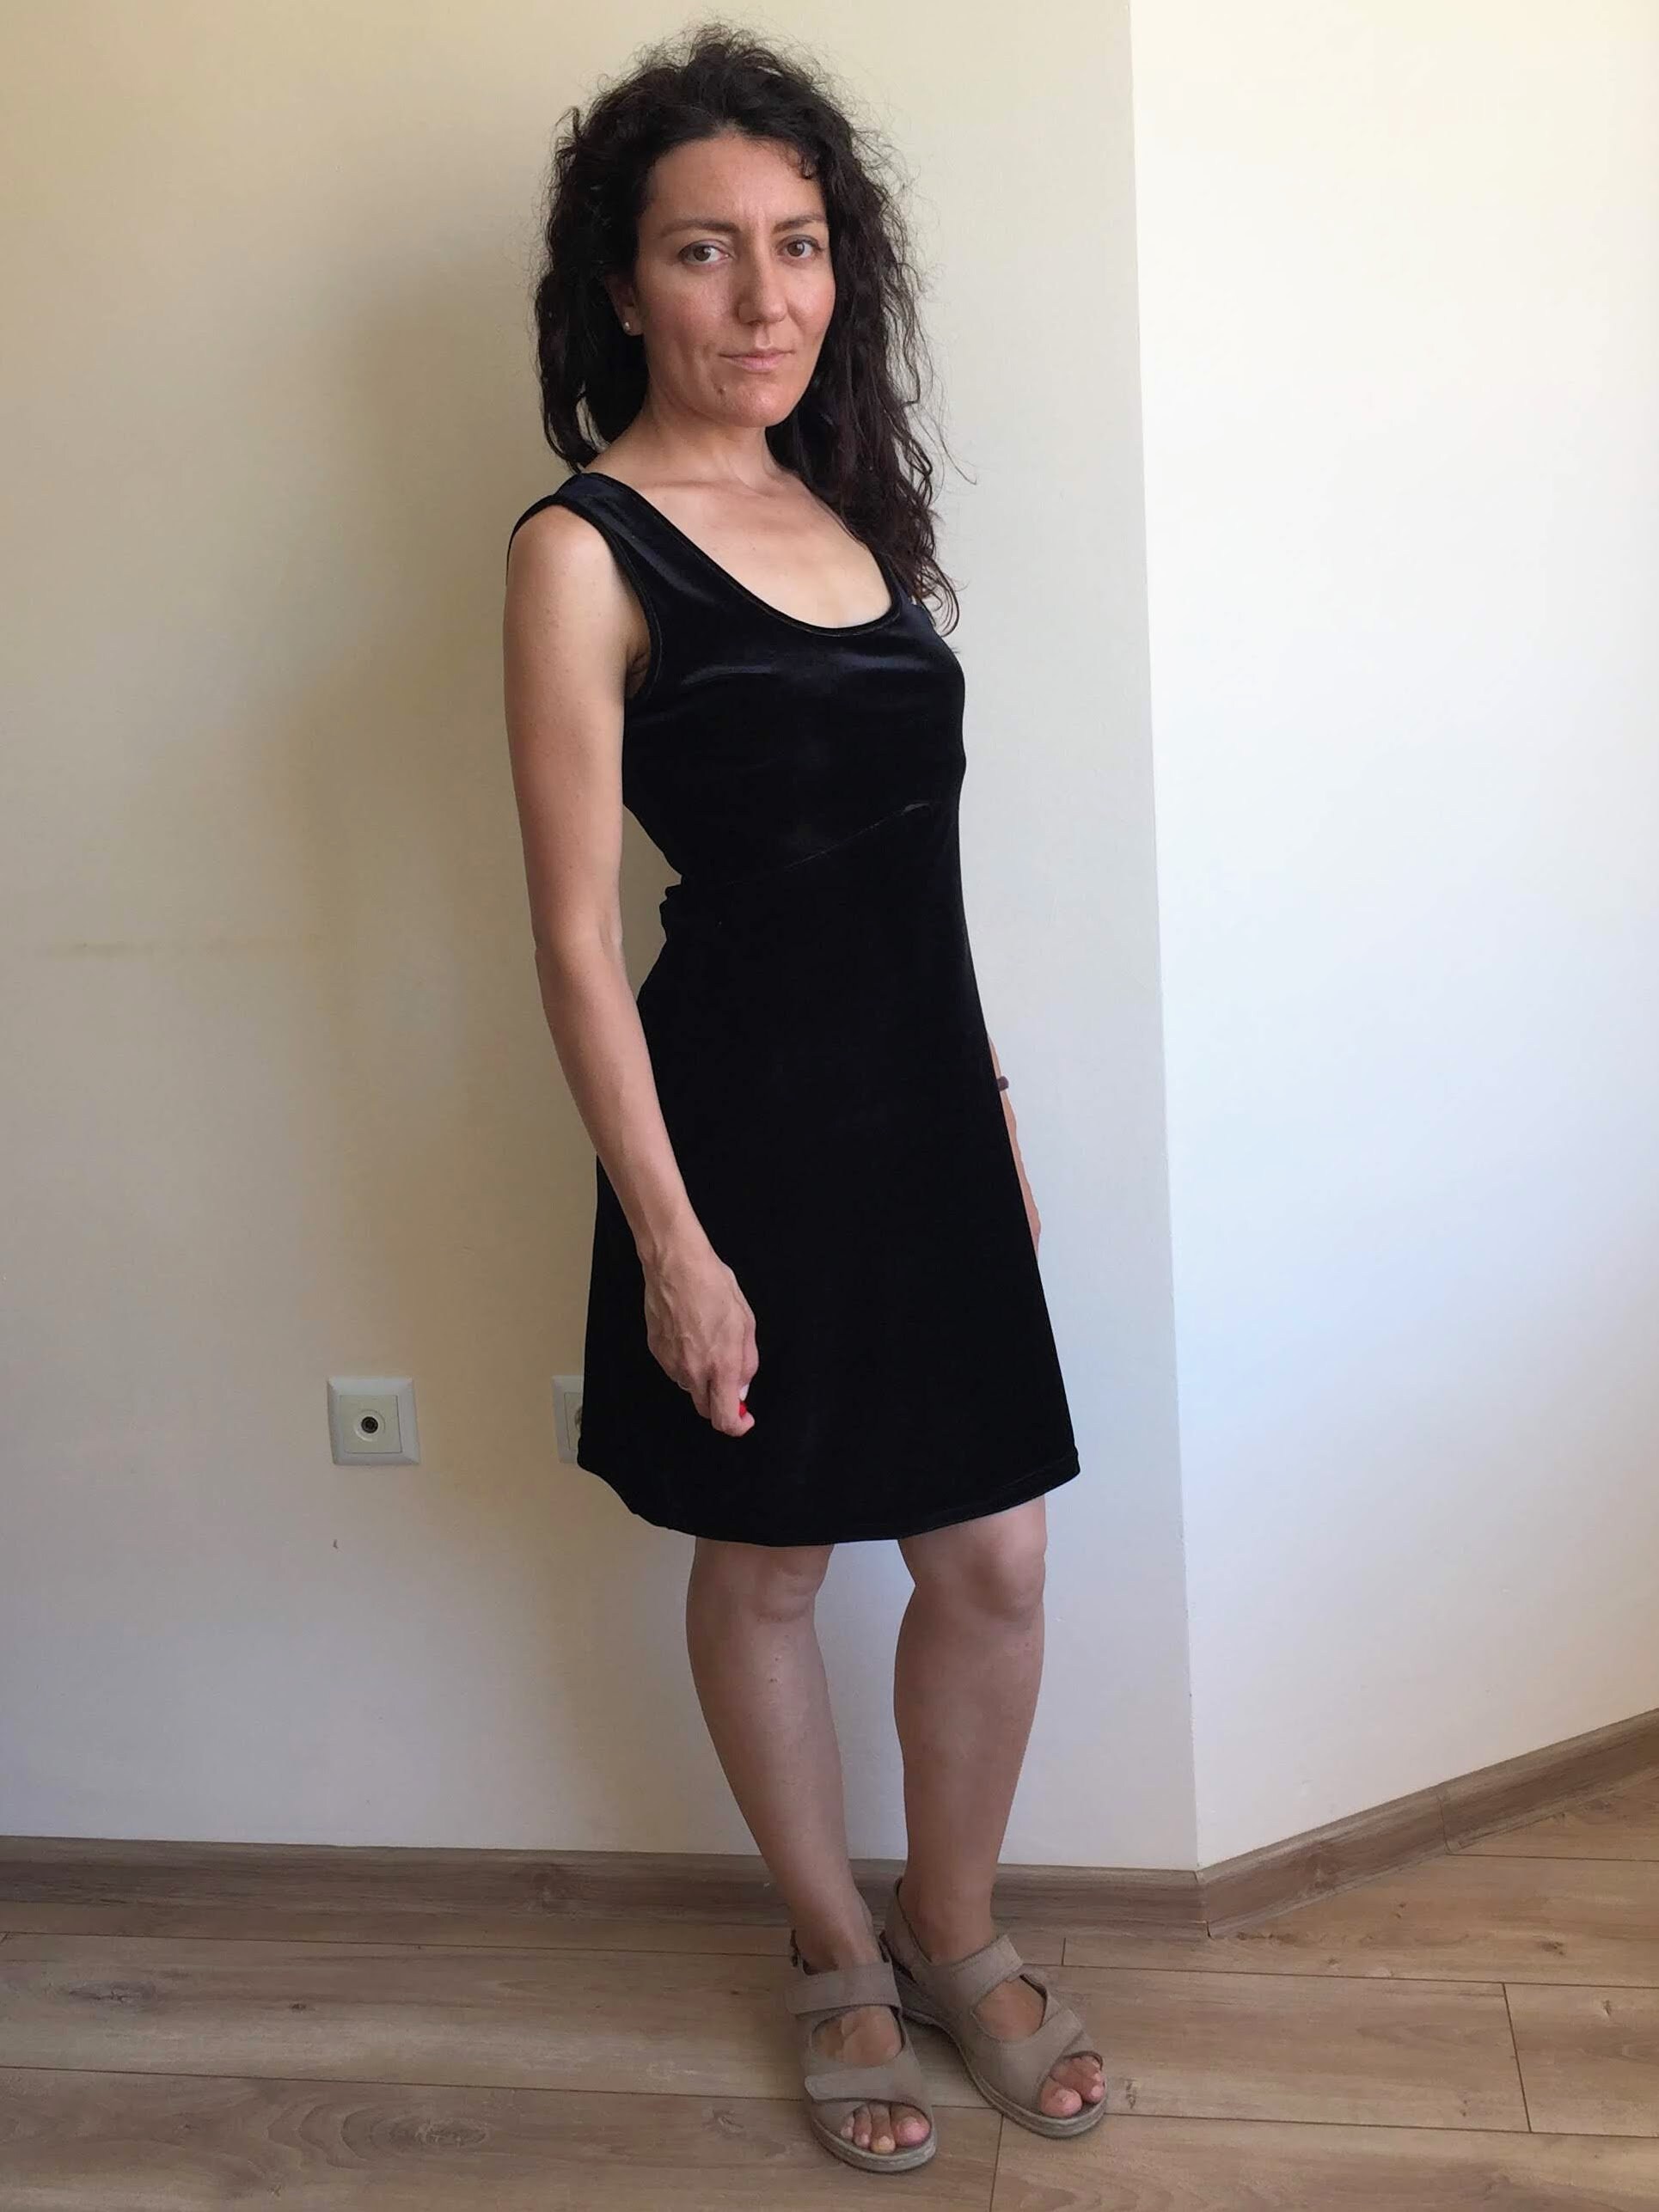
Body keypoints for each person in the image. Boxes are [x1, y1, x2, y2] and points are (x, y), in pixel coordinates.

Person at [501, 23, 1105, 2175]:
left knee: (994, 1560)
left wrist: (992, 1107)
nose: (763, 296)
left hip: (926, 1119)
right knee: (767, 1564)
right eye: (703, 250)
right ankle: (831, 1946)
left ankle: (952, 1923)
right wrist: (671, 1242)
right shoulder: (582, 548)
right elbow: (576, 939)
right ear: (620, 285)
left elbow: (914, 870)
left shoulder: (855, 519)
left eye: (798, 243)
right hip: (738, 1136)